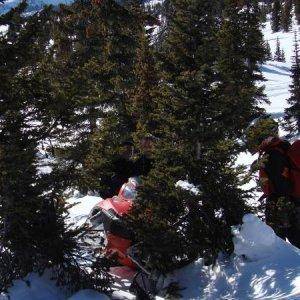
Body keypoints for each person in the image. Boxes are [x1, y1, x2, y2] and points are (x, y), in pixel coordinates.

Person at [246, 115, 300, 248]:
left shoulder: (272, 155)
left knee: (277, 243)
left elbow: (281, 185)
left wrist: (279, 207)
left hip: (284, 203)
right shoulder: (283, 146)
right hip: (293, 201)